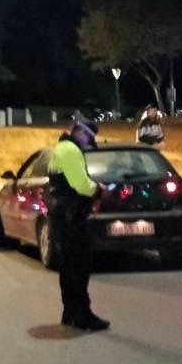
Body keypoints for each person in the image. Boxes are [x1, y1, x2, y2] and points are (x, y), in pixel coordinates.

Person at [47, 114, 108, 331]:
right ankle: (83, 316)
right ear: (81, 133)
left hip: (60, 216)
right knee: (80, 266)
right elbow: (81, 184)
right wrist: (99, 190)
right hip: (71, 217)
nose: (87, 144)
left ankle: (70, 311)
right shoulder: (71, 151)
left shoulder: (59, 148)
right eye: (88, 139)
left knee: (68, 266)